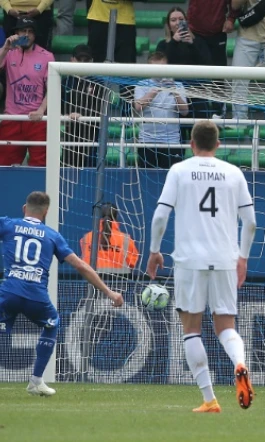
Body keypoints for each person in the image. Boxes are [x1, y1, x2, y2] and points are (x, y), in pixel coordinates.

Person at [147, 120, 257, 413]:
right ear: (218, 145)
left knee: (191, 329)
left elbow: (160, 216)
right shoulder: (233, 173)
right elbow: (251, 222)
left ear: (191, 144)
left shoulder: (180, 170)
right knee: (225, 326)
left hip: (189, 260)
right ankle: (239, 363)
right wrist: (242, 257)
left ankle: (209, 399)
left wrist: (154, 251)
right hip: (225, 258)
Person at [0, 191, 123, 396]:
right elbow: (81, 266)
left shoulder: (7, 224)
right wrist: (109, 293)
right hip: (35, 296)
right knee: (52, 323)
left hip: (9, 293)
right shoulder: (52, 235)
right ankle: (36, 381)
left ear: (24, 208)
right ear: (46, 212)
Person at [0, 17, 53, 167]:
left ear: (35, 35)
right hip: (11, 119)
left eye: (30, 32)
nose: (27, 35)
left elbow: (53, 88)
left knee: (40, 166)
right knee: (4, 166)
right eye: (23, 31)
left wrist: (41, 110)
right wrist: (5, 48)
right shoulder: (8, 53)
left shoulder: (47, 56)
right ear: (16, 33)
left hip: (36, 120)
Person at [133, 52, 189, 169]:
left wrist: (175, 92)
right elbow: (138, 107)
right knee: (146, 178)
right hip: (147, 141)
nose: (159, 71)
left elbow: (185, 111)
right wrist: (155, 90)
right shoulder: (141, 85)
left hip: (172, 142)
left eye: (162, 67)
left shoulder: (178, 85)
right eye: (156, 68)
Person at [80, 203, 139, 274]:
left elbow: (84, 260)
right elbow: (132, 263)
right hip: (119, 282)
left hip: (92, 281)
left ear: (99, 216)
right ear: (116, 216)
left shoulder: (86, 238)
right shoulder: (126, 239)